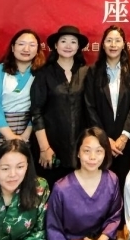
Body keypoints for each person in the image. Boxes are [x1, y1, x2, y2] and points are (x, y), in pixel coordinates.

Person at [46, 127, 124, 240]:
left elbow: (114, 217)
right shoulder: (61, 188)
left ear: (105, 153)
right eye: (87, 151)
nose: (92, 157)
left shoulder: (111, 180)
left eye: (99, 151)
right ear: (78, 153)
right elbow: (53, 228)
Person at [0, 29, 45, 183]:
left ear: (38, 49)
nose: (26, 49)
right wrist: (9, 135)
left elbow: (40, 107)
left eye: (32, 45)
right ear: (12, 47)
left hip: (26, 129)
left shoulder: (41, 74)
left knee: (21, 174)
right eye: (21, 44)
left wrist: (26, 133)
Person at [30, 25, 89, 188]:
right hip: (51, 148)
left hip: (79, 148)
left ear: (78, 47)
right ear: (56, 45)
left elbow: (91, 109)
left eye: (73, 42)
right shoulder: (44, 74)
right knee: (51, 192)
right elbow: (36, 112)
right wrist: (44, 148)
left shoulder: (86, 72)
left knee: (76, 194)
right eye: (63, 41)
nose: (68, 45)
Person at [84, 25, 130, 191]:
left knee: (122, 183)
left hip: (125, 143)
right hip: (99, 141)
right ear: (103, 44)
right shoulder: (93, 71)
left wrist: (124, 137)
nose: (113, 45)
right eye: (109, 40)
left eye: (117, 40)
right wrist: (104, 138)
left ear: (124, 44)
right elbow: (89, 106)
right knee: (101, 184)